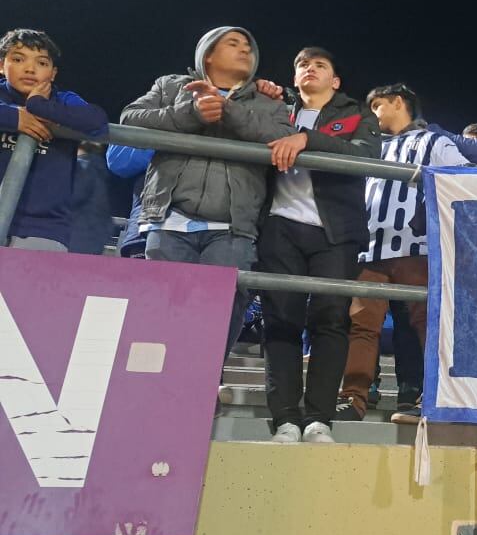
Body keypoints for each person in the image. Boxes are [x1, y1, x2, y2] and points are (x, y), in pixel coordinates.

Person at [120, 26, 295, 360]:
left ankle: (203, 380)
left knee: (224, 307)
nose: (245, 50)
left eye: (249, 45)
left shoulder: (268, 101)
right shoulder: (170, 86)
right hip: (170, 220)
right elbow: (130, 119)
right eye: (233, 43)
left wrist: (227, 110)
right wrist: (192, 113)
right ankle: (159, 380)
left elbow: (280, 136)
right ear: (208, 54)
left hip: (233, 227)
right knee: (161, 307)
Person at [256, 47, 381, 444]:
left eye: (320, 65)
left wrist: (308, 139)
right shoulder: (277, 109)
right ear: (294, 78)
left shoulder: (356, 114)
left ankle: (319, 420)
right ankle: (286, 419)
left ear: (336, 80)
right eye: (302, 65)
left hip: (335, 232)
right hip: (279, 225)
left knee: (330, 319)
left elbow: (365, 154)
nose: (310, 69)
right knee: (281, 320)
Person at [336, 83, 468, 424]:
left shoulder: (433, 142)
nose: (372, 114)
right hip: (370, 247)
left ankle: (435, 400)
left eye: (378, 105)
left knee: (427, 324)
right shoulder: (369, 146)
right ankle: (353, 397)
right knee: (362, 324)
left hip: (418, 246)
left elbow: (463, 177)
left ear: (398, 102)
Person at [0, 28, 109, 251]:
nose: (30, 69)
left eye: (42, 63)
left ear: (53, 73)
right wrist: (14, 118)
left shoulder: (62, 100)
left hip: (44, 229)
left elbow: (97, 121)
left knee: (32, 287)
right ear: (2, 65)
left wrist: (39, 106)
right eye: (19, 59)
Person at [68, 141, 114, 255]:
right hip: (94, 238)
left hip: (76, 237)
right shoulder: (101, 169)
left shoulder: (84, 167)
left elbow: (76, 196)